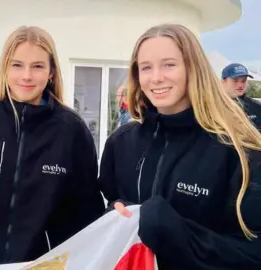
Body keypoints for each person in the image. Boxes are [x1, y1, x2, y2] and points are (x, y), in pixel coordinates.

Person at [0, 26, 104, 265]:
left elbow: (86, 212)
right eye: (17, 65)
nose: (26, 76)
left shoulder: (72, 131)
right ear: (4, 68)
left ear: (51, 72)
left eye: (37, 66)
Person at [98, 23, 261, 269]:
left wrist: (177, 233)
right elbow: (111, 211)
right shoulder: (121, 143)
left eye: (169, 64)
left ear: (192, 68)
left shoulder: (238, 148)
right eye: (146, 67)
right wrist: (115, 214)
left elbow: (252, 253)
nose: (156, 77)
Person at [221, 63, 261, 128]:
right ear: (223, 82)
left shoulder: (256, 107)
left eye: (243, 81)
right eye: (235, 80)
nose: (240, 85)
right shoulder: (212, 107)